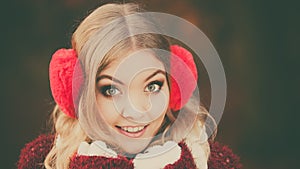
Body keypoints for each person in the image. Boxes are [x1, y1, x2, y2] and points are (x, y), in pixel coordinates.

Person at [17, 3, 242, 169]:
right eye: (111, 90)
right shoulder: (42, 161)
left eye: (152, 86)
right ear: (78, 94)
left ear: (174, 87)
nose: (136, 110)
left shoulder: (215, 162)